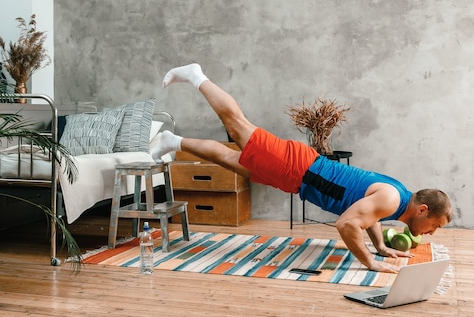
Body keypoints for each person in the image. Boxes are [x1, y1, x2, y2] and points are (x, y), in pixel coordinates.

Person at [151, 63, 452, 273]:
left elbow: (367, 217)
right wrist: (369, 262)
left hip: (296, 176)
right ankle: (196, 76)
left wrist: (381, 248)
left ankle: (172, 140)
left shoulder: (396, 199)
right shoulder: (391, 199)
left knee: (230, 160)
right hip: (296, 165)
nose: (432, 233)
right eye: (435, 225)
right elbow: (348, 224)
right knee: (238, 126)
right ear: (423, 210)